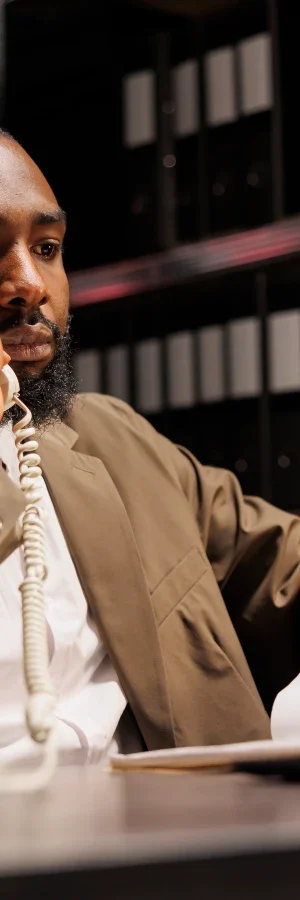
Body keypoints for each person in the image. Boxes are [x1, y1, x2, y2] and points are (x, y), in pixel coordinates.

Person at [0, 127, 299, 767]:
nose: (29, 284)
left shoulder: (110, 435)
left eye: (47, 248)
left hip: (192, 838)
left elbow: (279, 563)